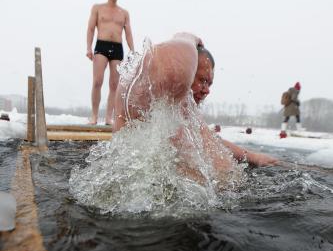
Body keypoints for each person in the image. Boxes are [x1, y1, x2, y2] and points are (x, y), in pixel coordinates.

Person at [113, 33, 279, 170]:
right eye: (202, 80)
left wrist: (252, 156)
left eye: (210, 84)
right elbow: (174, 69)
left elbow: (206, 137)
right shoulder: (147, 92)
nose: (207, 90)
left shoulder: (179, 109)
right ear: (190, 71)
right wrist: (187, 37)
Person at [86, 0, 134, 125]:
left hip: (118, 47)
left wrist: (132, 50)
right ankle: (94, 116)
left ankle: (108, 117)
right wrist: (88, 48)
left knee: (114, 84)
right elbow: (90, 29)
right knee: (97, 81)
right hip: (102, 45)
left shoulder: (124, 13)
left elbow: (129, 34)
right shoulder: (98, 8)